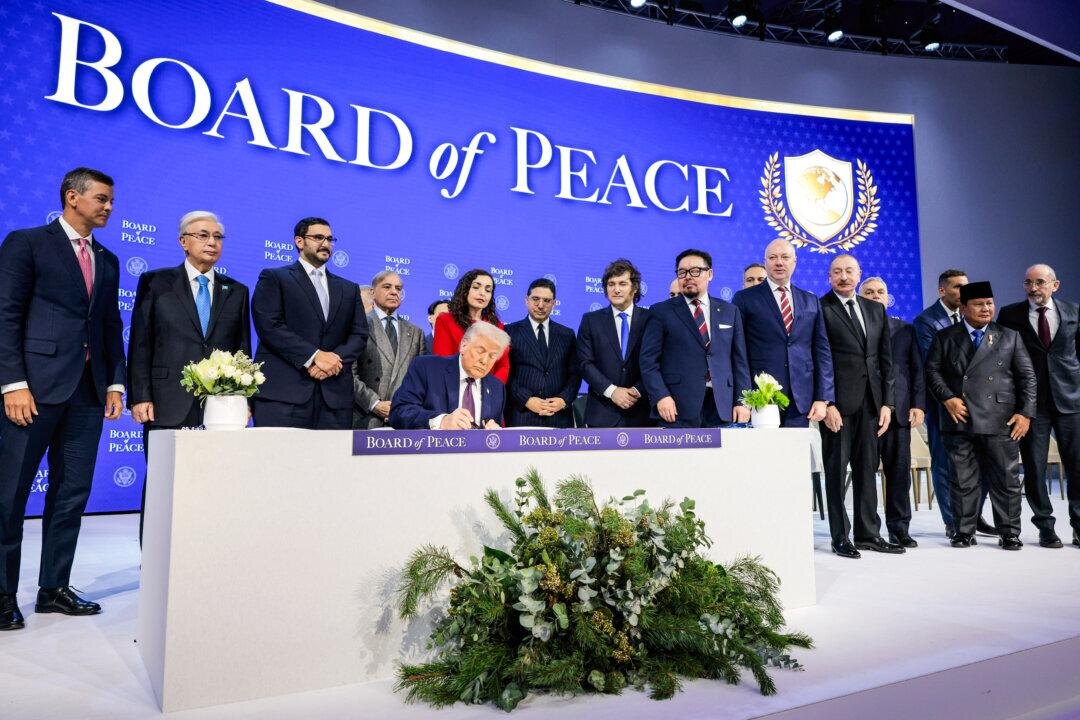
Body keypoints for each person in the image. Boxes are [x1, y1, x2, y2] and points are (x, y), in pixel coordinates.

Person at [0, 167, 126, 630]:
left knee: (71, 494)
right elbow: (5, 314)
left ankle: (53, 589)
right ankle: (2, 594)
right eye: (101, 198)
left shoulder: (107, 259)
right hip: (33, 390)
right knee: (10, 496)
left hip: (88, 393)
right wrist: (12, 383)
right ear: (72, 197)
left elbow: (110, 325)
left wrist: (115, 383)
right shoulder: (28, 242)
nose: (109, 206)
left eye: (110, 200)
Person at [127, 210, 251, 542]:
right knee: (163, 482)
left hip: (221, 406)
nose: (212, 242)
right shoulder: (156, 282)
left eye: (218, 237)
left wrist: (243, 400)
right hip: (167, 400)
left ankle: (205, 551)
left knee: (214, 482)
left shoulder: (236, 291)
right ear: (184, 242)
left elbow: (242, 350)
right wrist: (140, 395)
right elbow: (141, 342)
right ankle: (154, 556)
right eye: (203, 235)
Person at [925, 281, 1036, 550]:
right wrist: (948, 398)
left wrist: (1025, 414)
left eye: (989, 303)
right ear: (963, 308)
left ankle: (1009, 532)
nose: (986, 308)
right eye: (978, 304)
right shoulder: (945, 337)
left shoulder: (1009, 336)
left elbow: (1028, 377)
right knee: (962, 480)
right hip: (959, 418)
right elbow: (932, 372)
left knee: (1006, 480)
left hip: (1001, 419)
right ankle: (964, 531)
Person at [251, 217, 368, 429]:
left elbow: (359, 334)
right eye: (318, 237)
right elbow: (270, 326)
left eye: (330, 239)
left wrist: (333, 361)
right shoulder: (274, 278)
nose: (325, 244)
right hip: (284, 396)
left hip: (334, 399)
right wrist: (314, 356)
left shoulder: (349, 289)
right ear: (299, 241)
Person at [818, 256, 899, 558]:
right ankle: (840, 536)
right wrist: (827, 402)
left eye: (849, 271)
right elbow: (819, 359)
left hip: (872, 404)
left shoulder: (875, 309)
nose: (843, 276)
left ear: (858, 274)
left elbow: (885, 360)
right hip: (837, 406)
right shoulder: (820, 308)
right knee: (836, 472)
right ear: (829, 277)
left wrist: (888, 403)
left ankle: (869, 534)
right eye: (837, 272)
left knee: (867, 470)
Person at [998, 264, 1080, 549]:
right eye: (1028, 282)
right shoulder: (1010, 315)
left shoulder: (1073, 311)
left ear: (1055, 285)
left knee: (1077, 466)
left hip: (1071, 400)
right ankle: (1045, 527)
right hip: (1031, 405)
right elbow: (1005, 361)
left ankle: (1079, 526)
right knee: (1034, 467)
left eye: (1040, 282)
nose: (1033, 288)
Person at [914, 269, 994, 538]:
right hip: (944, 403)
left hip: (979, 404)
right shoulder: (926, 321)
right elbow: (934, 365)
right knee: (945, 463)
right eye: (958, 287)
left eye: (965, 286)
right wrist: (950, 397)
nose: (964, 291)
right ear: (942, 290)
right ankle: (953, 520)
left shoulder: (976, 318)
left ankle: (973, 516)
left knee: (982, 462)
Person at [640, 249, 750, 428]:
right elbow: (648, 361)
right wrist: (661, 396)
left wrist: (742, 401)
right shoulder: (661, 312)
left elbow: (740, 362)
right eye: (682, 272)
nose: (688, 277)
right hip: (677, 407)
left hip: (723, 407)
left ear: (710, 274)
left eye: (695, 271)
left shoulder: (730, 311)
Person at [732, 239, 833, 427]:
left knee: (796, 448)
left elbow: (822, 351)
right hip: (760, 397)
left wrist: (823, 398)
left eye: (785, 257)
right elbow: (737, 352)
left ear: (794, 262)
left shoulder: (811, 300)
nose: (779, 262)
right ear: (765, 262)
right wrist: (742, 396)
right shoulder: (745, 298)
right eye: (773, 257)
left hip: (801, 399)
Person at [860, 276, 924, 548]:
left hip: (899, 414)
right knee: (865, 475)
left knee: (898, 474)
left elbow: (916, 369)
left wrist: (918, 404)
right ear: (860, 298)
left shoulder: (905, 329)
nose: (875, 296)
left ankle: (899, 529)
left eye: (880, 292)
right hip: (866, 413)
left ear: (888, 298)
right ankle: (869, 531)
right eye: (869, 292)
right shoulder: (854, 328)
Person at [389, 322, 508, 430]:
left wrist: (494, 431)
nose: (484, 361)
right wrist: (441, 421)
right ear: (463, 345)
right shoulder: (427, 368)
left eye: (492, 356)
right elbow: (399, 412)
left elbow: (494, 427)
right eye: (480, 351)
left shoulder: (496, 388)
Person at [577, 259, 652, 427]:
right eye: (611, 284)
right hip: (602, 414)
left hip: (642, 413)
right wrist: (612, 391)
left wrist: (637, 390)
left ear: (635, 288)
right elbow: (584, 363)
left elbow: (657, 362)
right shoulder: (591, 320)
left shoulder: (651, 319)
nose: (616, 289)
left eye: (622, 284)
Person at [352, 271, 425, 429]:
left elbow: (421, 379)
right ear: (372, 292)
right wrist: (375, 404)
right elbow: (349, 374)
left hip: (404, 420)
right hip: (365, 418)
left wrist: (404, 407)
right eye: (387, 287)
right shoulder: (357, 325)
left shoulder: (416, 333)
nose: (394, 292)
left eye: (398, 289)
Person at [504, 279, 580, 428]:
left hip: (559, 417)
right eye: (535, 299)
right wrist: (526, 400)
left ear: (554, 303)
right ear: (526, 300)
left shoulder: (567, 334)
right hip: (521, 416)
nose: (540, 305)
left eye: (546, 300)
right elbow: (506, 373)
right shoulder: (509, 332)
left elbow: (575, 374)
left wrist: (563, 400)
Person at [432, 269, 509, 383]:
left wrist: (490, 388)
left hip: (486, 389)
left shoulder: (497, 326)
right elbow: (442, 362)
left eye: (488, 290)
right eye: (476, 287)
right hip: (453, 386)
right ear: (465, 290)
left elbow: (503, 366)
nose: (482, 293)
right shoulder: (445, 320)